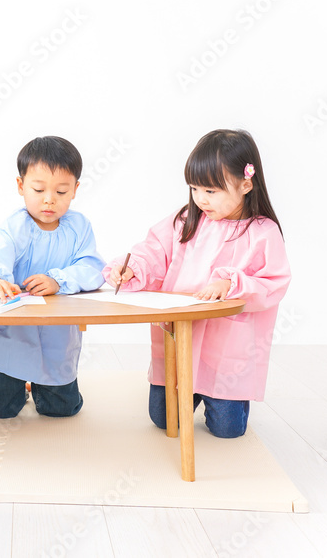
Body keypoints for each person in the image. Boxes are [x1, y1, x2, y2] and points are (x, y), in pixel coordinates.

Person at [104, 129, 291, 438]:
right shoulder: (185, 221)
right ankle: (190, 395)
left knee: (227, 430)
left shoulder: (262, 232)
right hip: (180, 338)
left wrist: (231, 284)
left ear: (246, 184)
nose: (200, 199)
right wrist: (132, 269)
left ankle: (218, 399)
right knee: (163, 419)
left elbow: (274, 282)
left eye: (211, 191)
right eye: (194, 188)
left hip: (226, 349)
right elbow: (154, 252)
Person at [0, 136, 105, 419]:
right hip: (11, 331)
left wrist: (58, 280)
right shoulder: (15, 226)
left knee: (62, 409)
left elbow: (93, 267)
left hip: (56, 332)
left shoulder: (79, 227)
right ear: (21, 186)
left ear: (75, 189)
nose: (49, 199)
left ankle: (42, 388)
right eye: (38, 189)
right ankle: (18, 387)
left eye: (61, 191)